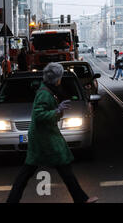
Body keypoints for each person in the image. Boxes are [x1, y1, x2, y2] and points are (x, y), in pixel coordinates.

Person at [6, 63, 98, 203]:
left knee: (36, 170)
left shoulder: (47, 90)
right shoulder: (44, 93)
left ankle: (81, 198)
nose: (60, 80)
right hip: (44, 138)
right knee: (58, 168)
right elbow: (39, 115)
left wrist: (58, 111)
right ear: (57, 78)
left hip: (45, 136)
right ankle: (81, 199)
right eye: (60, 77)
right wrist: (57, 110)